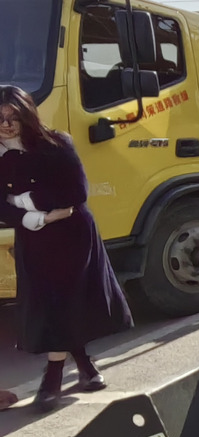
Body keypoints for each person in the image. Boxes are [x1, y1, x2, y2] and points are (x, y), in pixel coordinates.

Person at [0, 86, 133, 413]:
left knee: (61, 301)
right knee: (53, 302)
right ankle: (86, 367)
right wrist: (37, 216)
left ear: (27, 115)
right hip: (33, 238)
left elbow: (75, 192)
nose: (6, 125)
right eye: (0, 118)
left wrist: (20, 200)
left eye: (13, 117)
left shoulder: (57, 143)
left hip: (72, 235)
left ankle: (53, 377)